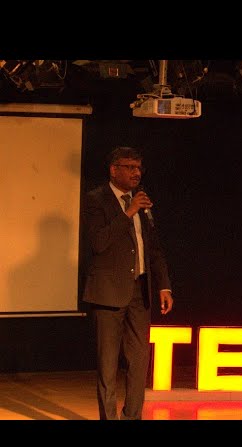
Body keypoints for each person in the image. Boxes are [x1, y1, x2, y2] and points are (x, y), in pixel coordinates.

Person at [81, 146, 174, 420]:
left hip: (139, 292)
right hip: (108, 293)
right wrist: (128, 212)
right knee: (108, 365)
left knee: (139, 361)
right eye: (130, 167)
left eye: (139, 168)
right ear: (114, 170)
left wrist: (164, 285)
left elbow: (153, 248)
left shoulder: (141, 201)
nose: (136, 173)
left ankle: (132, 416)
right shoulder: (95, 199)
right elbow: (99, 243)